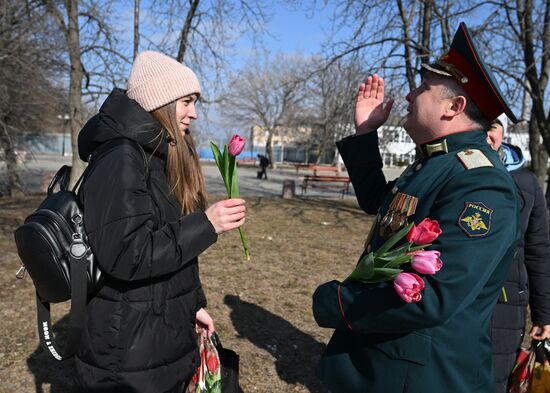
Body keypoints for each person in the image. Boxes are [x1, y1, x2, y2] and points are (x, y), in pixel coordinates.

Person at [312, 23, 521, 392]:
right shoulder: (437, 163)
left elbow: (433, 296)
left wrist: (338, 304)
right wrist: (365, 135)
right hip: (387, 367)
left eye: (423, 89)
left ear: (454, 107)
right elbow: (382, 205)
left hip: (420, 378)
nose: (409, 95)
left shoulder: (480, 182)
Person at [73, 51, 246, 392]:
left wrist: (193, 306)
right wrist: (206, 224)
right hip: (129, 350)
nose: (194, 113)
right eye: (186, 102)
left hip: (159, 333)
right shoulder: (122, 156)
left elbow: (167, 246)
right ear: (160, 101)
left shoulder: (155, 154)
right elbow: (128, 254)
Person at [487, 115, 550, 393]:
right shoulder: (451, 170)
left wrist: (543, 314)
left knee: (494, 380)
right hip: (454, 304)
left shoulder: (526, 182)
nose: (486, 135)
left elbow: (538, 251)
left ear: (503, 132)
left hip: (506, 307)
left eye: (492, 126)